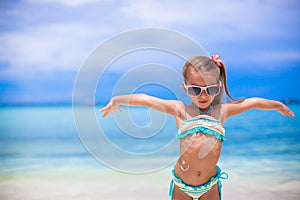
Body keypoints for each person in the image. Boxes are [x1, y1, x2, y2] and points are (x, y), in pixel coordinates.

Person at [100, 54, 294, 200]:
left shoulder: (222, 111)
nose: (203, 95)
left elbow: (251, 103)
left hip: (210, 185)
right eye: (195, 89)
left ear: (217, 87)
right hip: (181, 183)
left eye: (209, 89)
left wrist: (277, 105)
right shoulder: (179, 110)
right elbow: (145, 100)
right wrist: (117, 100)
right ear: (185, 88)